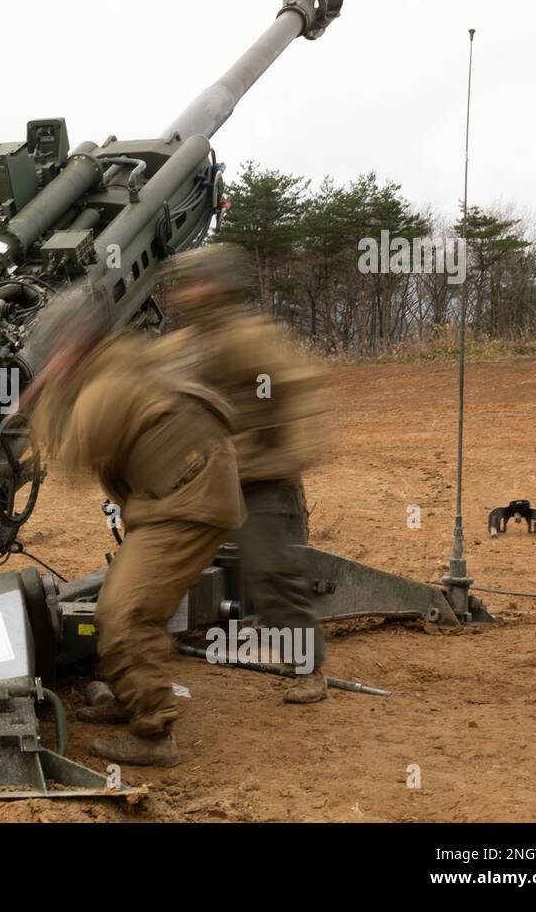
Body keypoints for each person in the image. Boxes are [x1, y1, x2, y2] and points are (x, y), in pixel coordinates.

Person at [25, 291, 245, 766]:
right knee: (118, 605)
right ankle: (128, 699)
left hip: (186, 503)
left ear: (72, 347)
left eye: (56, 349)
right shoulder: (118, 358)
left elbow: (70, 455)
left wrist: (46, 395)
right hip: (176, 495)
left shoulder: (108, 383)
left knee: (126, 614)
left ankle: (153, 732)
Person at [154, 243, 332, 702]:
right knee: (158, 575)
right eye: (181, 284)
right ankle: (141, 682)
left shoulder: (249, 337)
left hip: (259, 480)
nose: (183, 294)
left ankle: (309, 668)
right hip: (198, 482)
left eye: (195, 282)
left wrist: (295, 453)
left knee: (272, 573)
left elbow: (300, 389)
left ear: (218, 286)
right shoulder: (179, 347)